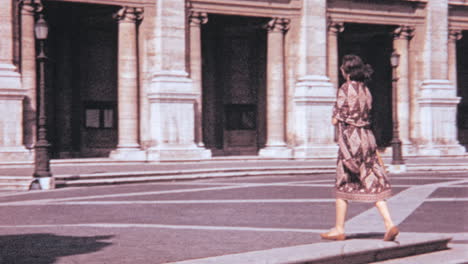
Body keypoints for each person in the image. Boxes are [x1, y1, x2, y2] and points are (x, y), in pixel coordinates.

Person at [320, 54, 399, 242]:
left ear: (346, 71)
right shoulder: (366, 90)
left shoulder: (345, 88)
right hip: (367, 139)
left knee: (342, 182)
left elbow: (336, 119)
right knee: (373, 181)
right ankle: (389, 223)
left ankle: (339, 228)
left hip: (351, 140)